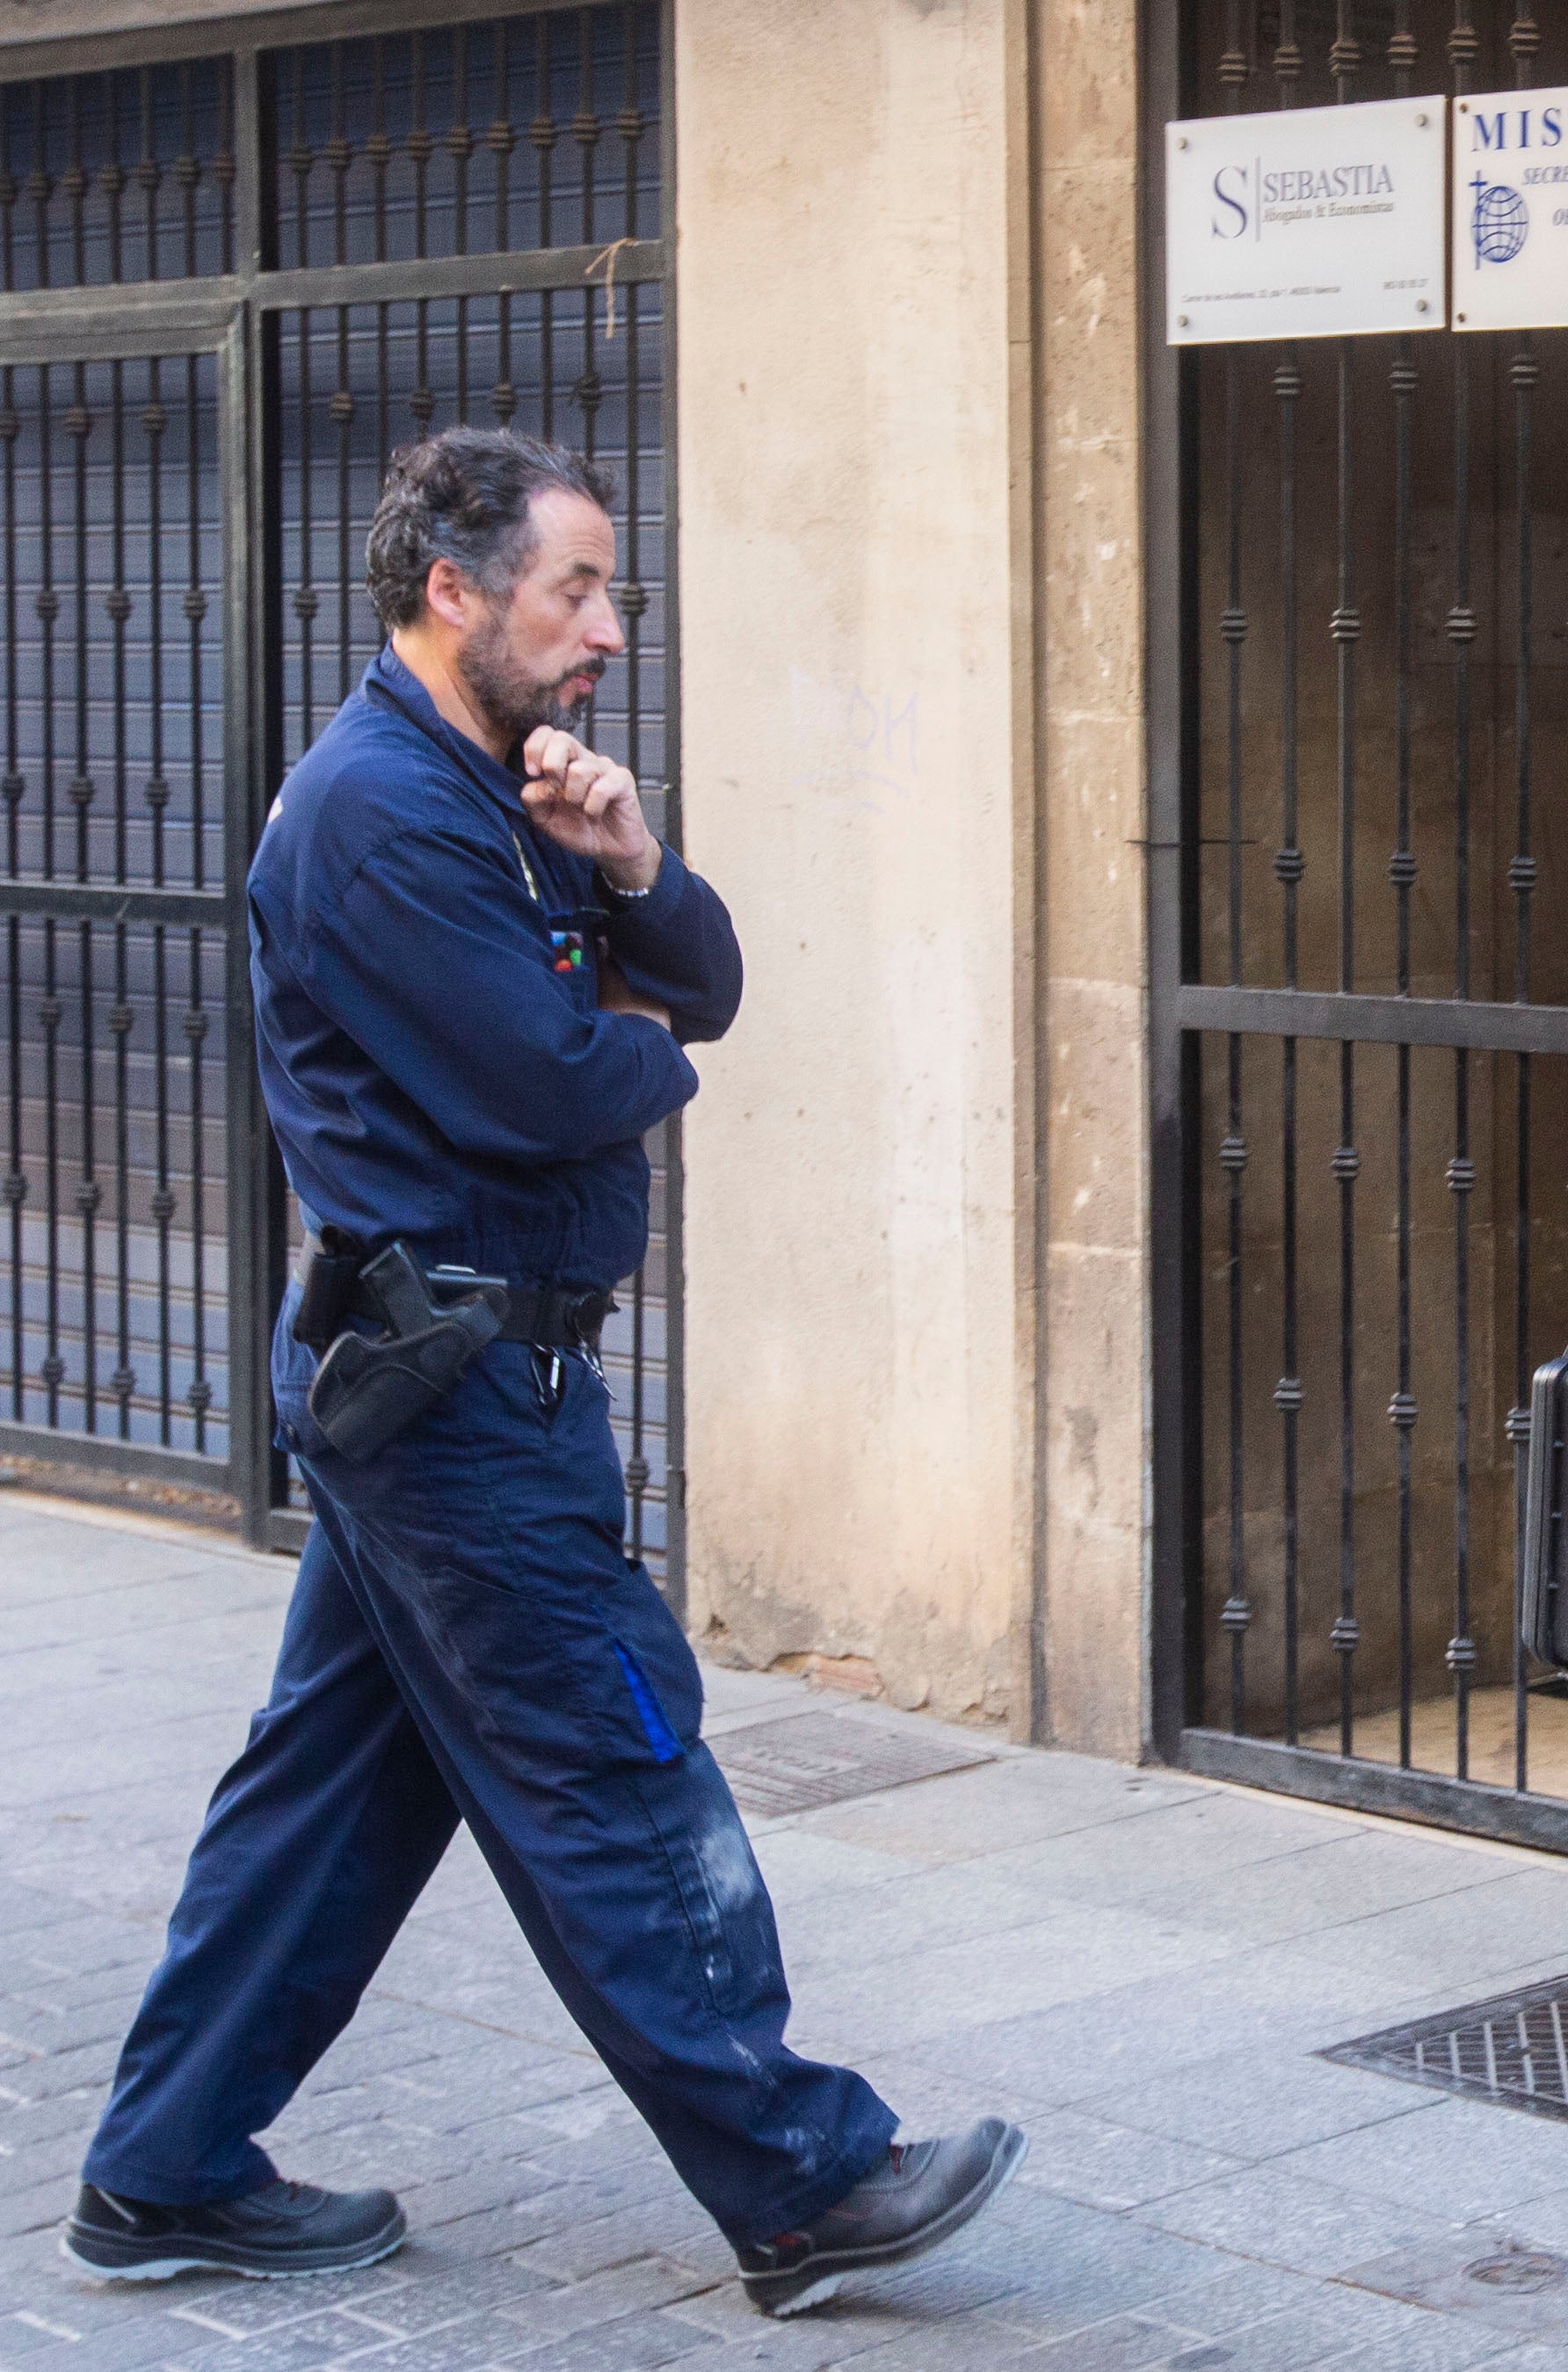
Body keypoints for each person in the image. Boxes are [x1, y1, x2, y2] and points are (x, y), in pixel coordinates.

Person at [63, 429, 1021, 2318]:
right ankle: (807, 2182)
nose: (604, 629)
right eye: (574, 589)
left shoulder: (503, 790)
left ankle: (161, 2170)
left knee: (332, 1791)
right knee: (611, 1763)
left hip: (440, 1376)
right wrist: (628, 1026)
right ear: (454, 591)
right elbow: (556, 1085)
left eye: (610, 592)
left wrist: (636, 869)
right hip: (457, 1397)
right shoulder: (378, 816)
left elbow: (709, 982)